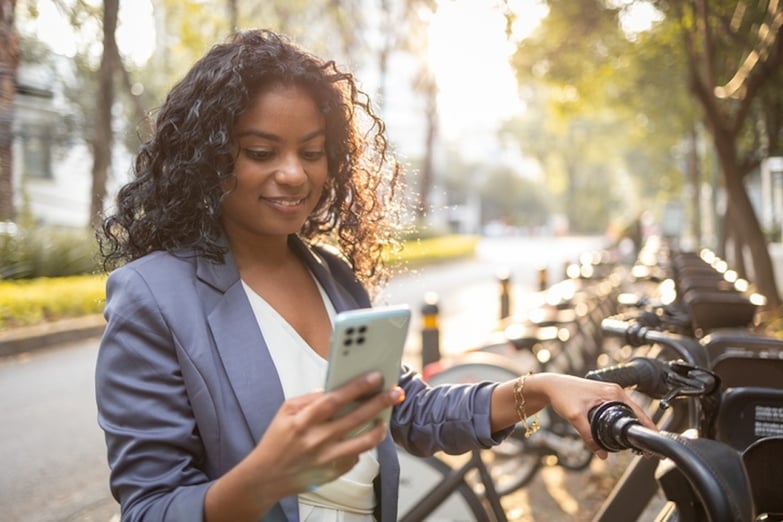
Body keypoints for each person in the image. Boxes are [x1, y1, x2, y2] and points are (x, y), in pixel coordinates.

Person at [94, 28, 655, 522]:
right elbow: (150, 508)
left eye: (312, 153)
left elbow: (409, 411)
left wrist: (540, 390)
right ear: (210, 157)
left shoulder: (331, 276)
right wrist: (264, 477)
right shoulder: (152, 297)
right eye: (261, 152)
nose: (293, 174)